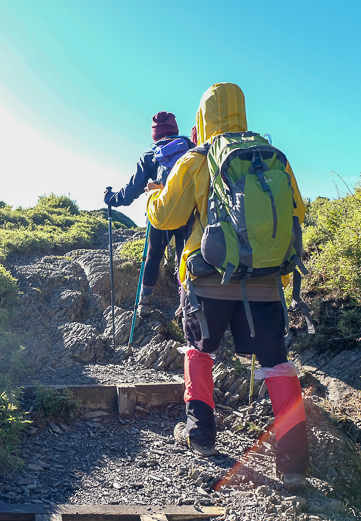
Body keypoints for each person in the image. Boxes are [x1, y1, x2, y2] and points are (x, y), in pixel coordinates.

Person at [145, 83, 310, 491]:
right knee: (276, 363)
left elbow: (166, 217)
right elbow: (298, 211)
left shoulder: (197, 159)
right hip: (267, 282)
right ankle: (293, 463)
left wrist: (152, 197)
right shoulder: (270, 157)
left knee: (200, 351)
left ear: (202, 118)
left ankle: (200, 435)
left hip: (208, 283)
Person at [104, 111, 194, 317]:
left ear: (154, 134)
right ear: (175, 129)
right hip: (188, 213)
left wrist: (112, 198)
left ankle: (144, 306)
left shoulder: (150, 154)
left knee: (153, 256)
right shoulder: (190, 148)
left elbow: (133, 189)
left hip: (161, 214)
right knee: (185, 259)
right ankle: (187, 307)